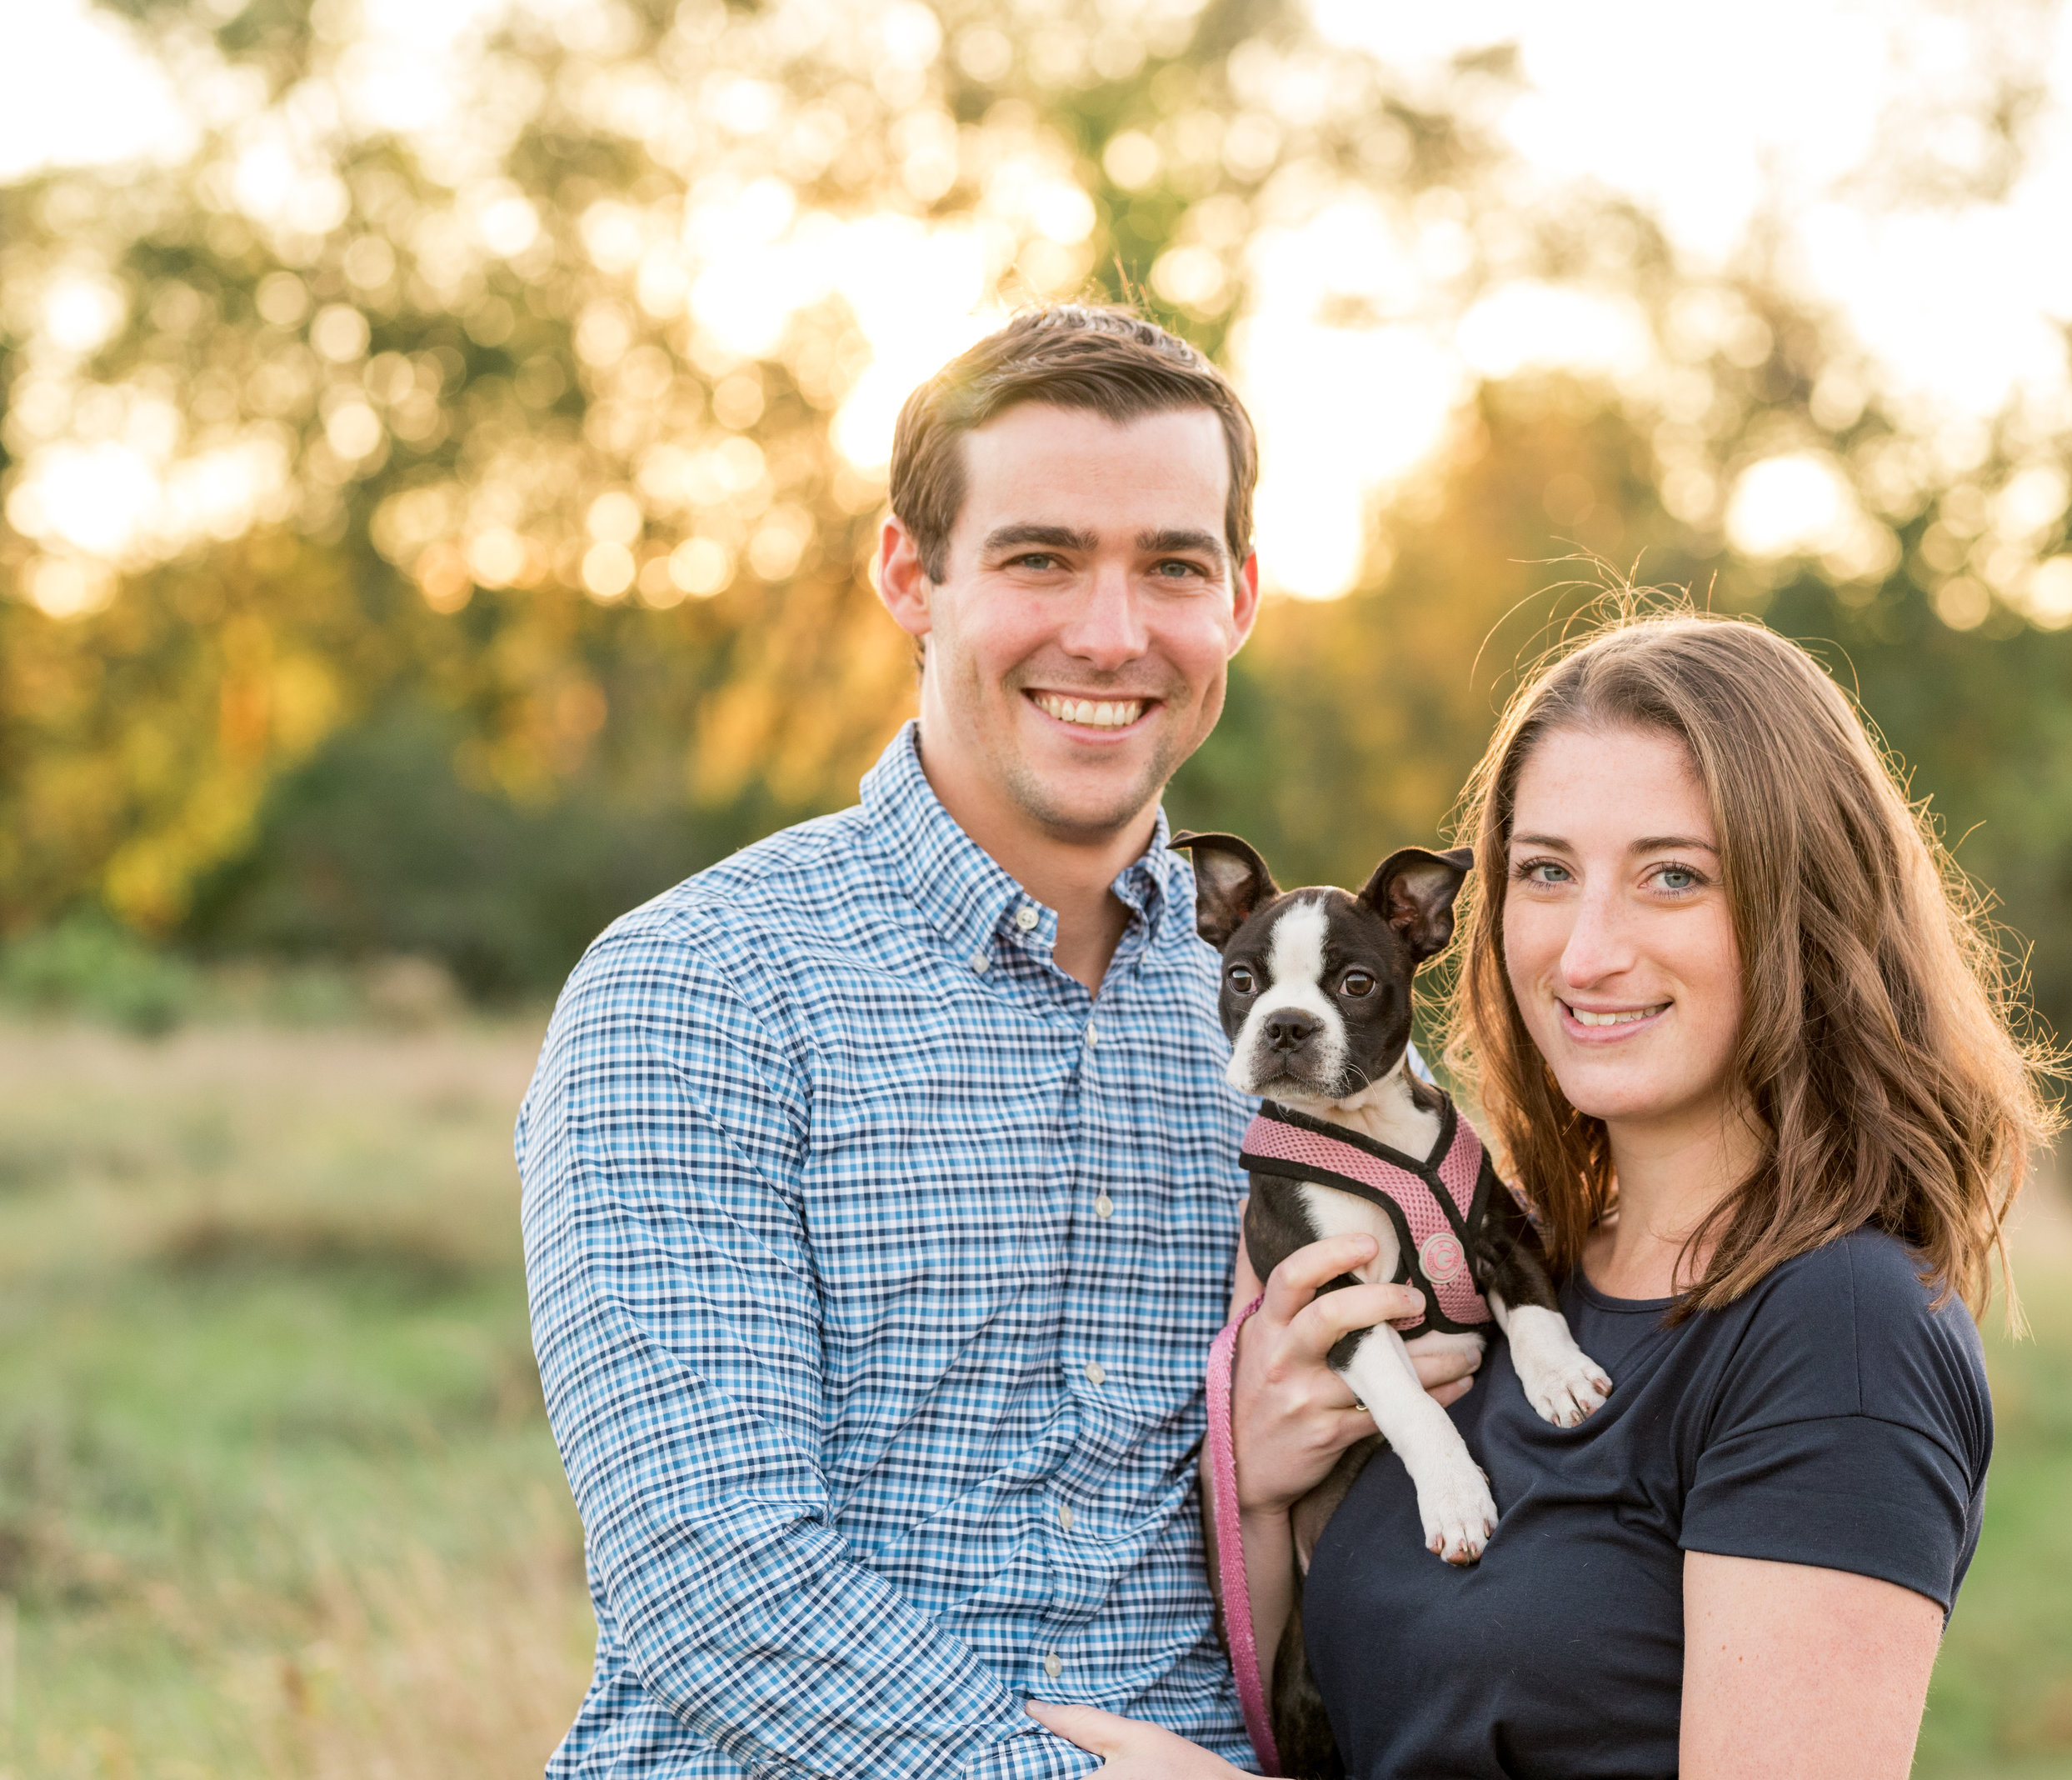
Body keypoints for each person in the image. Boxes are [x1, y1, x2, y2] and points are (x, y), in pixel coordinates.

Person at [515, 305, 1477, 1778]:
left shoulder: (1307, 1027)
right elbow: (713, 1581)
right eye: (1039, 558)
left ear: (1242, 598)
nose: (1111, 632)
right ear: (913, 574)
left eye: (1172, 565)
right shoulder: (699, 992)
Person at [1166, 611, 2059, 1778]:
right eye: (1546, 871)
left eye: (1673, 876)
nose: (1586, 952)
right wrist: (1262, 1491)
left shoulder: (1840, 1334)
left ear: (1808, 909)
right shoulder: (1512, 1270)